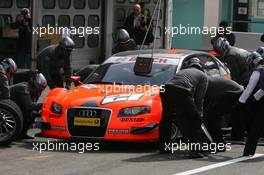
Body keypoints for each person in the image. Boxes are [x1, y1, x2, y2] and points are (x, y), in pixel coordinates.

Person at [159, 58, 208, 158]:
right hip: (181, 91)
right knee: (195, 120)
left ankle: (163, 148)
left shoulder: (182, 71)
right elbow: (199, 99)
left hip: (165, 90)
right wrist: (199, 115)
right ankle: (195, 151)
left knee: (166, 119)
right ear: (200, 67)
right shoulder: (203, 76)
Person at [235, 52, 264, 156]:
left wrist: (240, 102)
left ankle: (248, 152)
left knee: (256, 127)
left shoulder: (257, 71)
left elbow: (248, 89)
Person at [204, 77, 244, 144]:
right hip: (234, 91)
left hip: (233, 92)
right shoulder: (205, 79)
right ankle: (218, 140)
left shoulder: (203, 82)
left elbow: (203, 100)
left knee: (213, 117)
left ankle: (218, 142)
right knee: (213, 115)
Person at [10, 72, 47, 139]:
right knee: (31, 114)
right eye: (39, 88)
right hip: (7, 109)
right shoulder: (24, 88)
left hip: (14, 107)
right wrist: (44, 106)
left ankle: (22, 134)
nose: (40, 91)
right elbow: (29, 106)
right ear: (35, 84)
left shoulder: (30, 89)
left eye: (42, 89)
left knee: (32, 113)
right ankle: (20, 134)